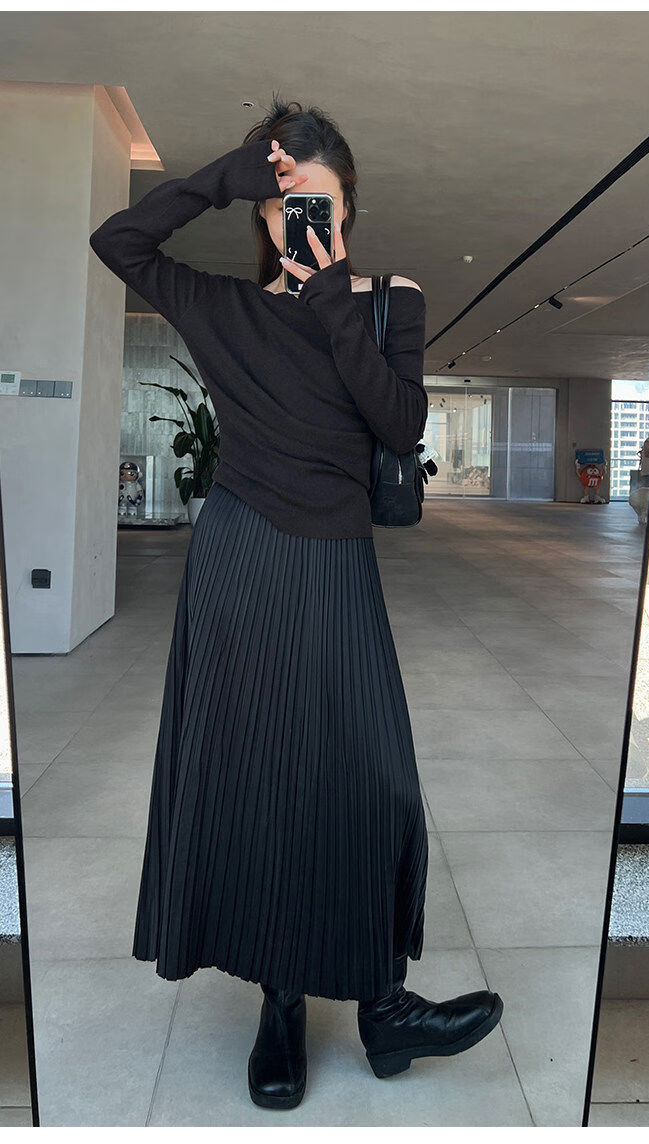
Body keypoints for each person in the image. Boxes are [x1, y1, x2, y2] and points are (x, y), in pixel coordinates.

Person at [89, 98, 502, 1111]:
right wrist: (221, 176)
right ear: (262, 214)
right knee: (263, 779)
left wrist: (329, 298)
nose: (303, 219)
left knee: (375, 780)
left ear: (347, 206)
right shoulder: (226, 308)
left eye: (319, 200)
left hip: (337, 562)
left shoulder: (387, 301)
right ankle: (281, 1009)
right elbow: (118, 241)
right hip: (241, 560)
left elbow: (398, 424)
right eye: (284, 203)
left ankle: (381, 1006)